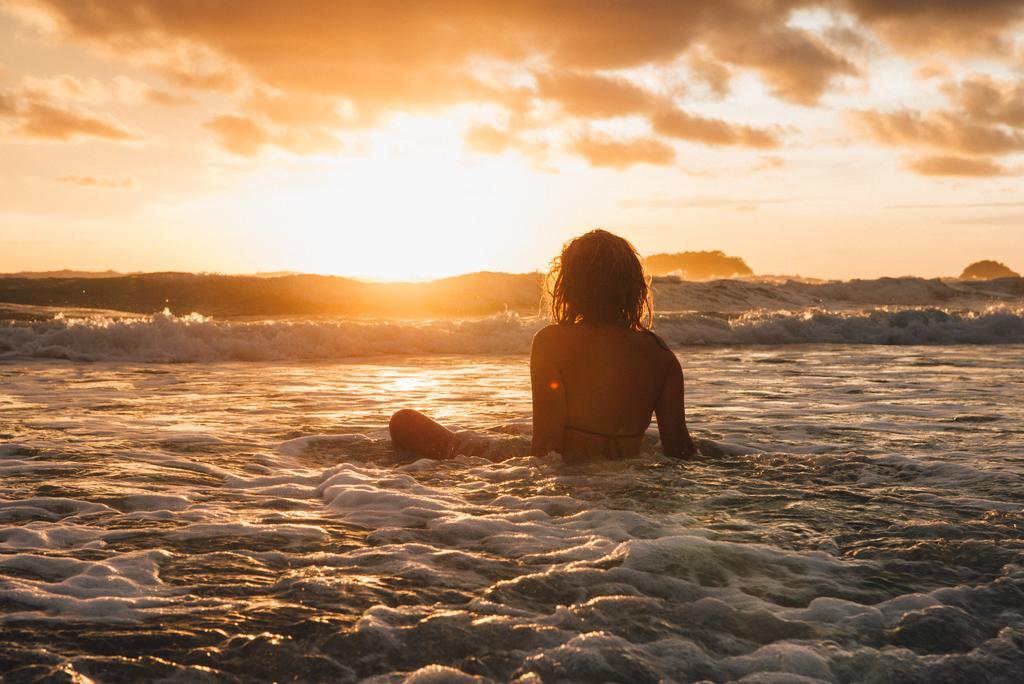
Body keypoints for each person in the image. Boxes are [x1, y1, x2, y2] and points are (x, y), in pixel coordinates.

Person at [389, 229, 698, 461]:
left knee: (404, 421)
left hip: (571, 476)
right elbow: (678, 448)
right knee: (512, 430)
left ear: (570, 286)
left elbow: (547, 448)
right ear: (632, 288)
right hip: (625, 474)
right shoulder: (660, 354)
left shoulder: (553, 341)